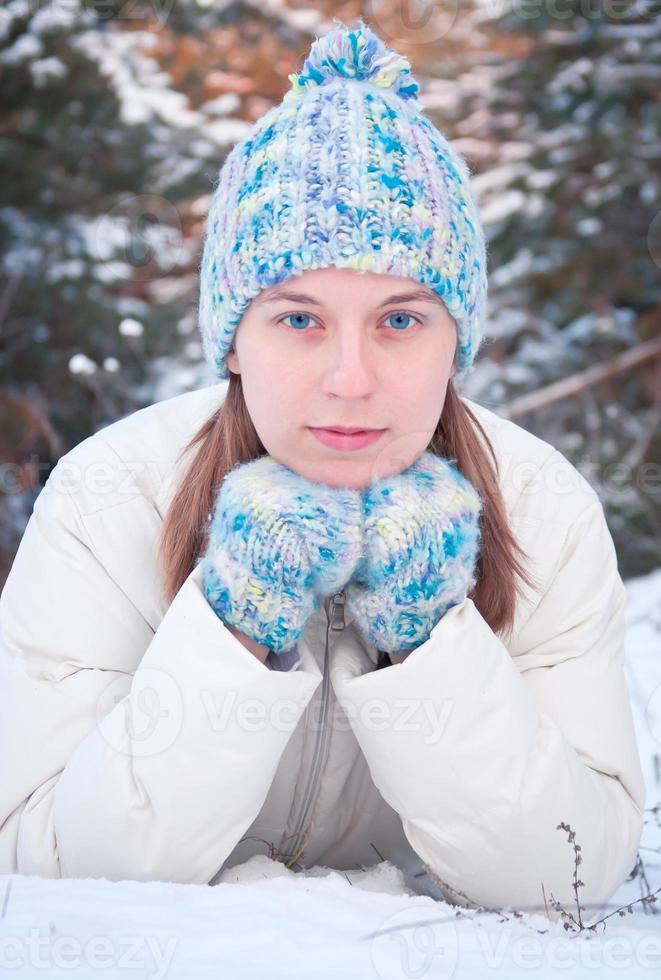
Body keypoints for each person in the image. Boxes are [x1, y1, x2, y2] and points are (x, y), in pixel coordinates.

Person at [0, 21, 644, 922]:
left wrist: (425, 635)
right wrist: (235, 626)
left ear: (458, 340)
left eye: (400, 320)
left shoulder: (542, 510)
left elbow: (565, 876)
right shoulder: (107, 500)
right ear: (232, 342)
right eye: (298, 320)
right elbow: (52, 868)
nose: (350, 380)